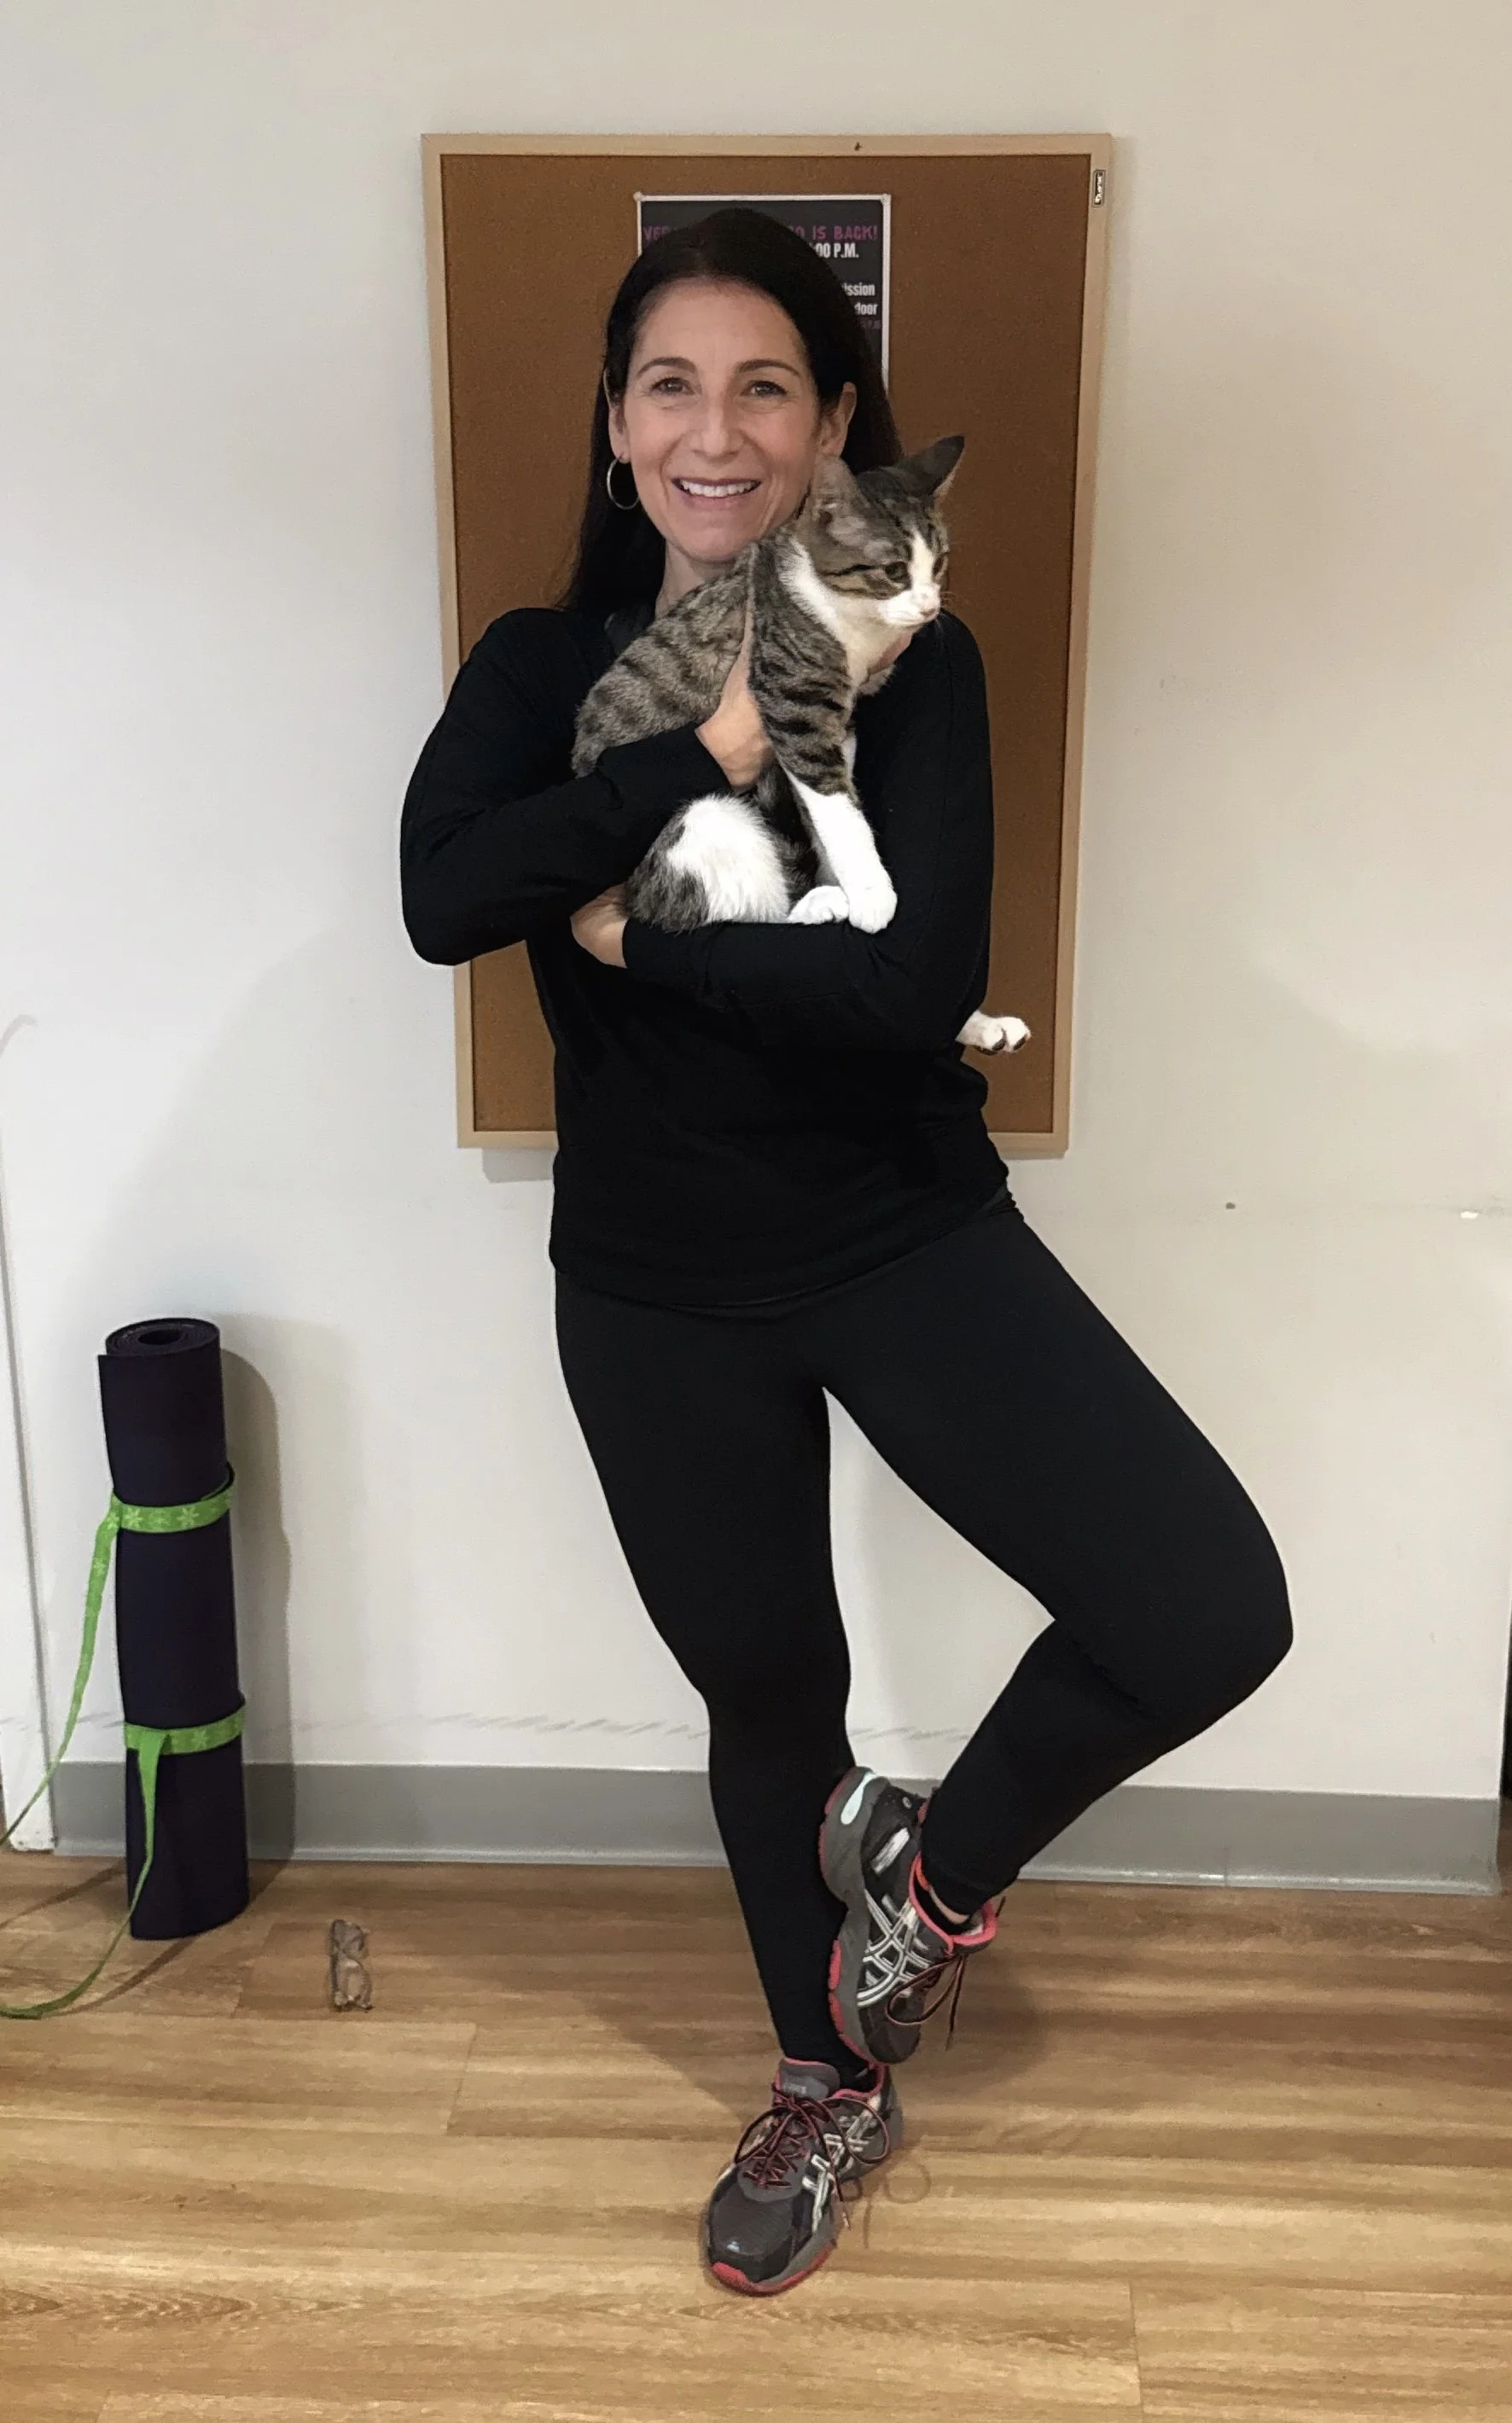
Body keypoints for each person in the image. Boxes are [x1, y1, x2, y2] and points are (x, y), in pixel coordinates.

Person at [399, 208, 1292, 2298]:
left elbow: (910, 994)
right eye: (671, 385)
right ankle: (823, 2080)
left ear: (830, 429)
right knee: (768, 1692)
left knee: (1199, 1605)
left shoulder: (920, 665)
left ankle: (929, 1884)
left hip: (900, 1230)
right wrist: (700, 763)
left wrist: (634, 941)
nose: (715, 431)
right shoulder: (535, 670)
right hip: (651, 1281)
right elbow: (445, 899)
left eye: (765, 387)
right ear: (618, 424)